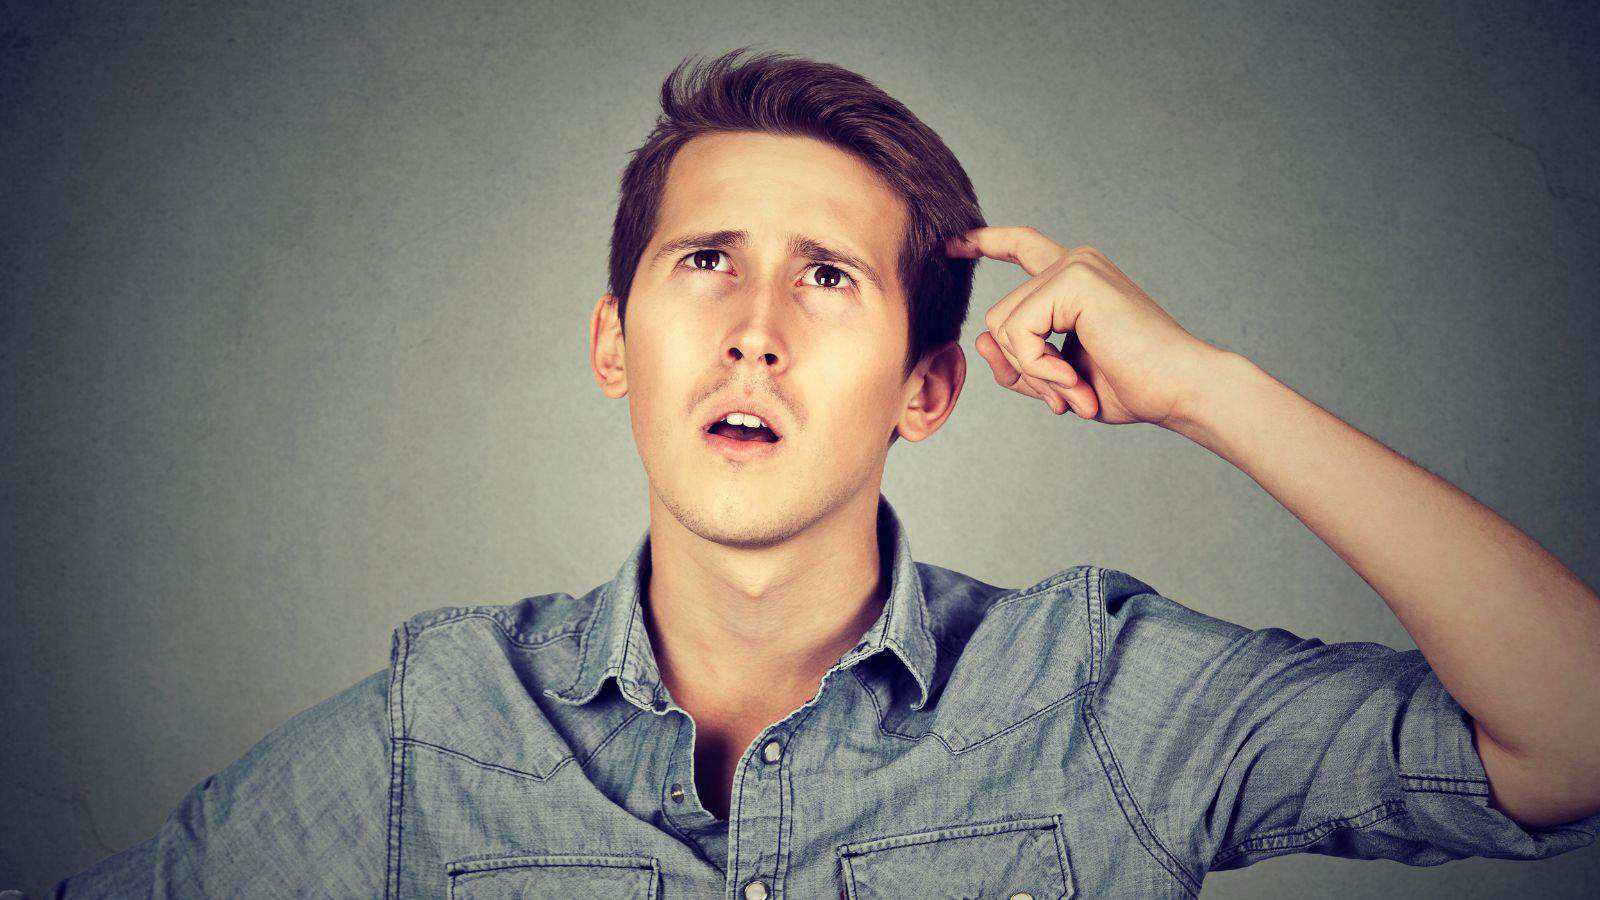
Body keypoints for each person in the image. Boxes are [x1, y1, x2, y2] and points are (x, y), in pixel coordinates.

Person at [49, 47, 1600, 899]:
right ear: (614, 342)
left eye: (829, 281)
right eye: (706, 262)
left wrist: (1208, 389)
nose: (755, 332)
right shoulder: (438, 732)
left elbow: (1575, 737)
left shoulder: (1097, 701)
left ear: (929, 388)